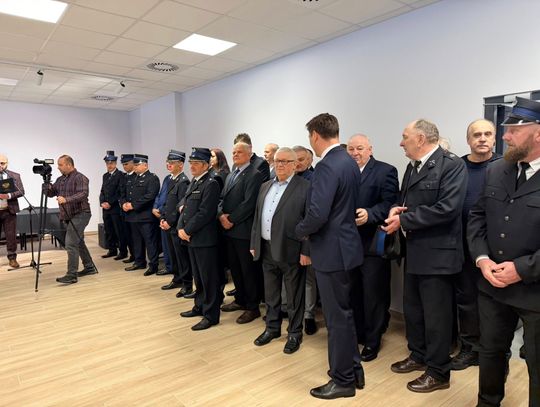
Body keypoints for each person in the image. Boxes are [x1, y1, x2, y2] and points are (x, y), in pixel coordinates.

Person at [384, 119, 467, 393]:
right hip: (415, 251)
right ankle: (418, 355)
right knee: (414, 311)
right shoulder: (412, 166)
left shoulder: (452, 165)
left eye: (405, 136)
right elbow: (407, 201)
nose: (401, 142)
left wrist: (404, 221)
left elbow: (448, 209)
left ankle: (438, 372)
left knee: (436, 318)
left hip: (439, 256)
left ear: (420, 139)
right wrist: (397, 209)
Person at [468, 97, 540, 407]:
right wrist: (482, 259)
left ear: (538, 133)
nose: (505, 136)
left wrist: (521, 269)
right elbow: (477, 217)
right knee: (490, 353)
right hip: (493, 286)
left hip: (535, 291)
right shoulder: (496, 170)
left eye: (513, 130)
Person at [296, 113, 364, 400]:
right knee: (345, 315)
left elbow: (318, 214)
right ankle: (354, 369)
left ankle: (343, 380)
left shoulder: (326, 166)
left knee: (336, 320)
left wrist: (298, 231)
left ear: (314, 135)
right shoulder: (349, 161)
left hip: (331, 252)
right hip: (347, 248)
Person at [451, 119, 501, 371]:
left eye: (487, 134)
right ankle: (469, 349)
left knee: (495, 303)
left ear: (495, 138)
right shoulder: (457, 167)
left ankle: (494, 353)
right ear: (468, 140)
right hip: (462, 245)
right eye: (476, 134)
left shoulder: (505, 166)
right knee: (467, 299)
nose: (482, 138)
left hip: (497, 248)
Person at [251, 147, 310, 354]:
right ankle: (272, 328)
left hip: (291, 249)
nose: (280, 165)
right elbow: (257, 217)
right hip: (266, 248)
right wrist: (254, 244)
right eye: (277, 161)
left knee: (294, 296)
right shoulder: (265, 186)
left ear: (295, 165)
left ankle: (294, 333)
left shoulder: (305, 187)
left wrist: (306, 251)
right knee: (271, 294)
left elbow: (309, 222)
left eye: (285, 161)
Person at [346, 134, 399, 362]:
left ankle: (372, 341)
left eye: (360, 148)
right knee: (353, 292)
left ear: (370, 149)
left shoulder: (386, 171)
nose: (355, 153)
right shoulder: (344, 172)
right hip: (347, 244)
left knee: (374, 295)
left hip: (373, 244)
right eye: (351, 149)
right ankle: (358, 334)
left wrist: (370, 214)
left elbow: (390, 203)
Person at [219, 142, 264, 324]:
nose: (235, 155)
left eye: (239, 152)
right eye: (233, 152)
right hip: (229, 231)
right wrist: (221, 215)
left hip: (243, 231)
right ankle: (240, 299)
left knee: (248, 271)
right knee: (235, 269)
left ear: (249, 154)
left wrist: (231, 219)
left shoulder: (254, 174)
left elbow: (249, 203)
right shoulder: (231, 174)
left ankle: (252, 307)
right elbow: (221, 198)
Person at [178, 148, 222, 331]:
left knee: (208, 279)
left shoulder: (211, 183)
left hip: (204, 239)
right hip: (192, 238)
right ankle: (199, 306)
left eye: (196, 163)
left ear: (206, 165)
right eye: (191, 163)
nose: (192, 166)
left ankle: (211, 315)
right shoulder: (195, 181)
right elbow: (185, 208)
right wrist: (180, 228)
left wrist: (187, 230)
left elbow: (205, 213)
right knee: (198, 276)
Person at [45, 155, 95, 284]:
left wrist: (66, 199)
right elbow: (50, 193)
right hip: (68, 215)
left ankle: (71, 274)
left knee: (71, 243)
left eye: (60, 165)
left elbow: (83, 194)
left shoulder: (80, 177)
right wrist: (46, 183)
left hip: (81, 213)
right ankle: (90, 267)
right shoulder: (60, 179)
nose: (58, 167)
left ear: (69, 164)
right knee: (78, 242)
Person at [159, 150, 192, 297]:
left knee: (182, 257)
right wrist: (162, 219)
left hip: (176, 225)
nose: (169, 165)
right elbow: (167, 203)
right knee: (173, 256)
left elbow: (180, 207)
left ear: (181, 165)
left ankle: (187, 284)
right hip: (168, 224)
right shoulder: (171, 179)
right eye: (168, 162)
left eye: (172, 163)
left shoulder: (183, 181)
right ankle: (177, 278)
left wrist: (170, 222)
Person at [120, 154, 160, 276]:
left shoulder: (152, 178)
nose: (135, 167)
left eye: (137, 165)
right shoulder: (133, 178)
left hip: (145, 216)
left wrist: (133, 205)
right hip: (133, 216)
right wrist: (124, 204)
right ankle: (139, 262)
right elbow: (126, 193)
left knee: (150, 242)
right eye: (135, 165)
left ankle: (153, 265)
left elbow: (150, 196)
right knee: (136, 241)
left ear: (145, 165)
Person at [99, 150, 128, 260]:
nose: (109, 165)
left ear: (115, 163)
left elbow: (120, 192)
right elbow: (102, 191)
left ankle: (123, 251)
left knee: (119, 231)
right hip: (106, 208)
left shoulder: (120, 175)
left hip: (115, 208)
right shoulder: (105, 176)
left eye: (111, 163)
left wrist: (110, 203)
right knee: (109, 230)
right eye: (107, 163)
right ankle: (112, 250)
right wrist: (102, 202)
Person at [0, 154, 24, 269]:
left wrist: (8, 195)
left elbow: (21, 191)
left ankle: (12, 258)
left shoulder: (14, 176)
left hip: (9, 211)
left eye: (2, 163)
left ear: (7, 164)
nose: (0, 165)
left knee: (11, 236)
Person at [119, 154, 136, 263]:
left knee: (135, 237)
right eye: (123, 164)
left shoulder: (137, 176)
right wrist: (123, 204)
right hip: (125, 211)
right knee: (127, 235)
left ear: (133, 163)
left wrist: (130, 205)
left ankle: (138, 257)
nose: (124, 166)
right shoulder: (123, 177)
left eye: (126, 164)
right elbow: (121, 193)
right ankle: (133, 255)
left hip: (134, 211)